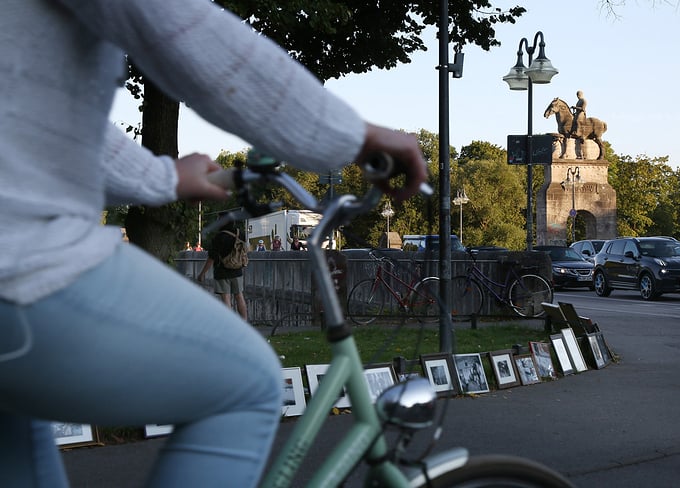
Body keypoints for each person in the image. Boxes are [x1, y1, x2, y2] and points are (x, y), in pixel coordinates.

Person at [0, 1, 427, 487]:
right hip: (18, 262)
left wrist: (162, 177)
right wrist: (355, 136)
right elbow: (179, 24)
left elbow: (35, 119)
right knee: (247, 384)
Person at [197, 219, 248, 321]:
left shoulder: (219, 237)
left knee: (226, 298)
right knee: (239, 296)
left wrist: (202, 273)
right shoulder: (240, 234)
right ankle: (244, 323)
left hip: (222, 271)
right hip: (237, 270)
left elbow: (212, 258)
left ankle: (229, 324)